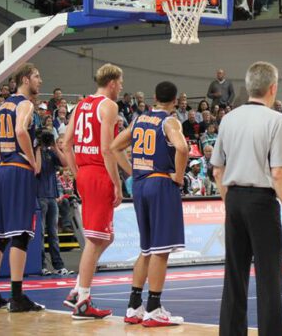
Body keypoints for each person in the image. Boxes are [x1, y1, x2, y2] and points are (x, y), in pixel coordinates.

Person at [212, 61, 282, 336]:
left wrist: (230, 202)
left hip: (235, 198)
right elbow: (278, 173)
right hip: (261, 202)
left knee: (234, 276)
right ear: (273, 88)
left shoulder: (228, 118)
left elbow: (217, 169)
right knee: (269, 278)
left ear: (249, 86)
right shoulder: (276, 120)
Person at [111, 81, 189, 327]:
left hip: (141, 186)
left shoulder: (138, 120)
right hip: (160, 184)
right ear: (175, 101)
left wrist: (132, 173)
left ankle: (134, 306)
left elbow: (114, 147)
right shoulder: (170, 121)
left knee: (146, 249)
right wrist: (178, 175)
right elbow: (183, 148)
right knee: (160, 251)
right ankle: (154, 307)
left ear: (154, 97)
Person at [63, 63, 124, 319]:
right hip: (99, 172)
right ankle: (83, 301)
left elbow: (66, 144)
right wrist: (117, 183)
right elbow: (108, 149)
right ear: (111, 83)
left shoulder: (80, 105)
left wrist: (77, 175)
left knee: (106, 237)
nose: (121, 87)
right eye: (120, 83)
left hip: (85, 171)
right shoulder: (108, 106)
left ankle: (77, 289)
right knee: (94, 239)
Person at [0, 63, 45, 312]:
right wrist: (30, 158)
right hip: (18, 171)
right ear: (25, 79)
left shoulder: (3, 106)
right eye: (37, 76)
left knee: (0, 237)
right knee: (21, 233)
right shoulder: (24, 104)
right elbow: (20, 131)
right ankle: (17, 297)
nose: (40, 81)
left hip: (3, 169)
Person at [36, 130, 72, 276]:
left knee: (53, 233)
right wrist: (37, 147)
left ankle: (58, 265)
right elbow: (36, 169)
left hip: (52, 196)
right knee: (40, 233)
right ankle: (41, 265)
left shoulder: (51, 153)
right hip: (39, 196)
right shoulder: (34, 152)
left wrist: (55, 147)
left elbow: (65, 163)